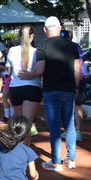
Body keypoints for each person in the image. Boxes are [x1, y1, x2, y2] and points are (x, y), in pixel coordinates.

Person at [34, 17, 81, 171]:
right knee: (69, 125)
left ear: (45, 30)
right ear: (60, 28)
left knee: (54, 127)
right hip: (68, 88)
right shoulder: (72, 46)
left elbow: (40, 69)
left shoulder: (43, 46)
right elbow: (77, 68)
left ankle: (56, 162)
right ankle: (71, 159)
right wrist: (76, 86)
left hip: (51, 89)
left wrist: (29, 75)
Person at [5, 25, 42, 146]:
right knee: (27, 124)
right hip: (32, 88)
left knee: (20, 123)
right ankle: (24, 153)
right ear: (32, 36)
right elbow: (41, 71)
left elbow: (9, 70)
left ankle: (17, 150)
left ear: (19, 36)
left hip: (15, 88)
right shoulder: (38, 52)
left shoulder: (12, 50)